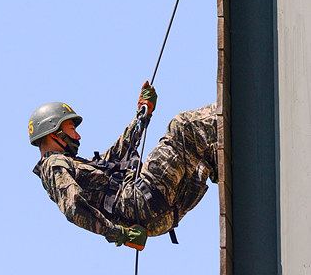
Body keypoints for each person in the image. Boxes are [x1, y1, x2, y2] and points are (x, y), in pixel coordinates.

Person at [29, 87, 217, 251]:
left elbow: (115, 157)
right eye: (71, 128)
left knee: (206, 153)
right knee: (184, 126)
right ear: (54, 132)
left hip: (159, 217)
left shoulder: (74, 164)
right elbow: (73, 207)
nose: (78, 136)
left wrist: (143, 115)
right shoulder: (53, 166)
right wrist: (121, 235)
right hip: (141, 200)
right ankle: (239, 111)